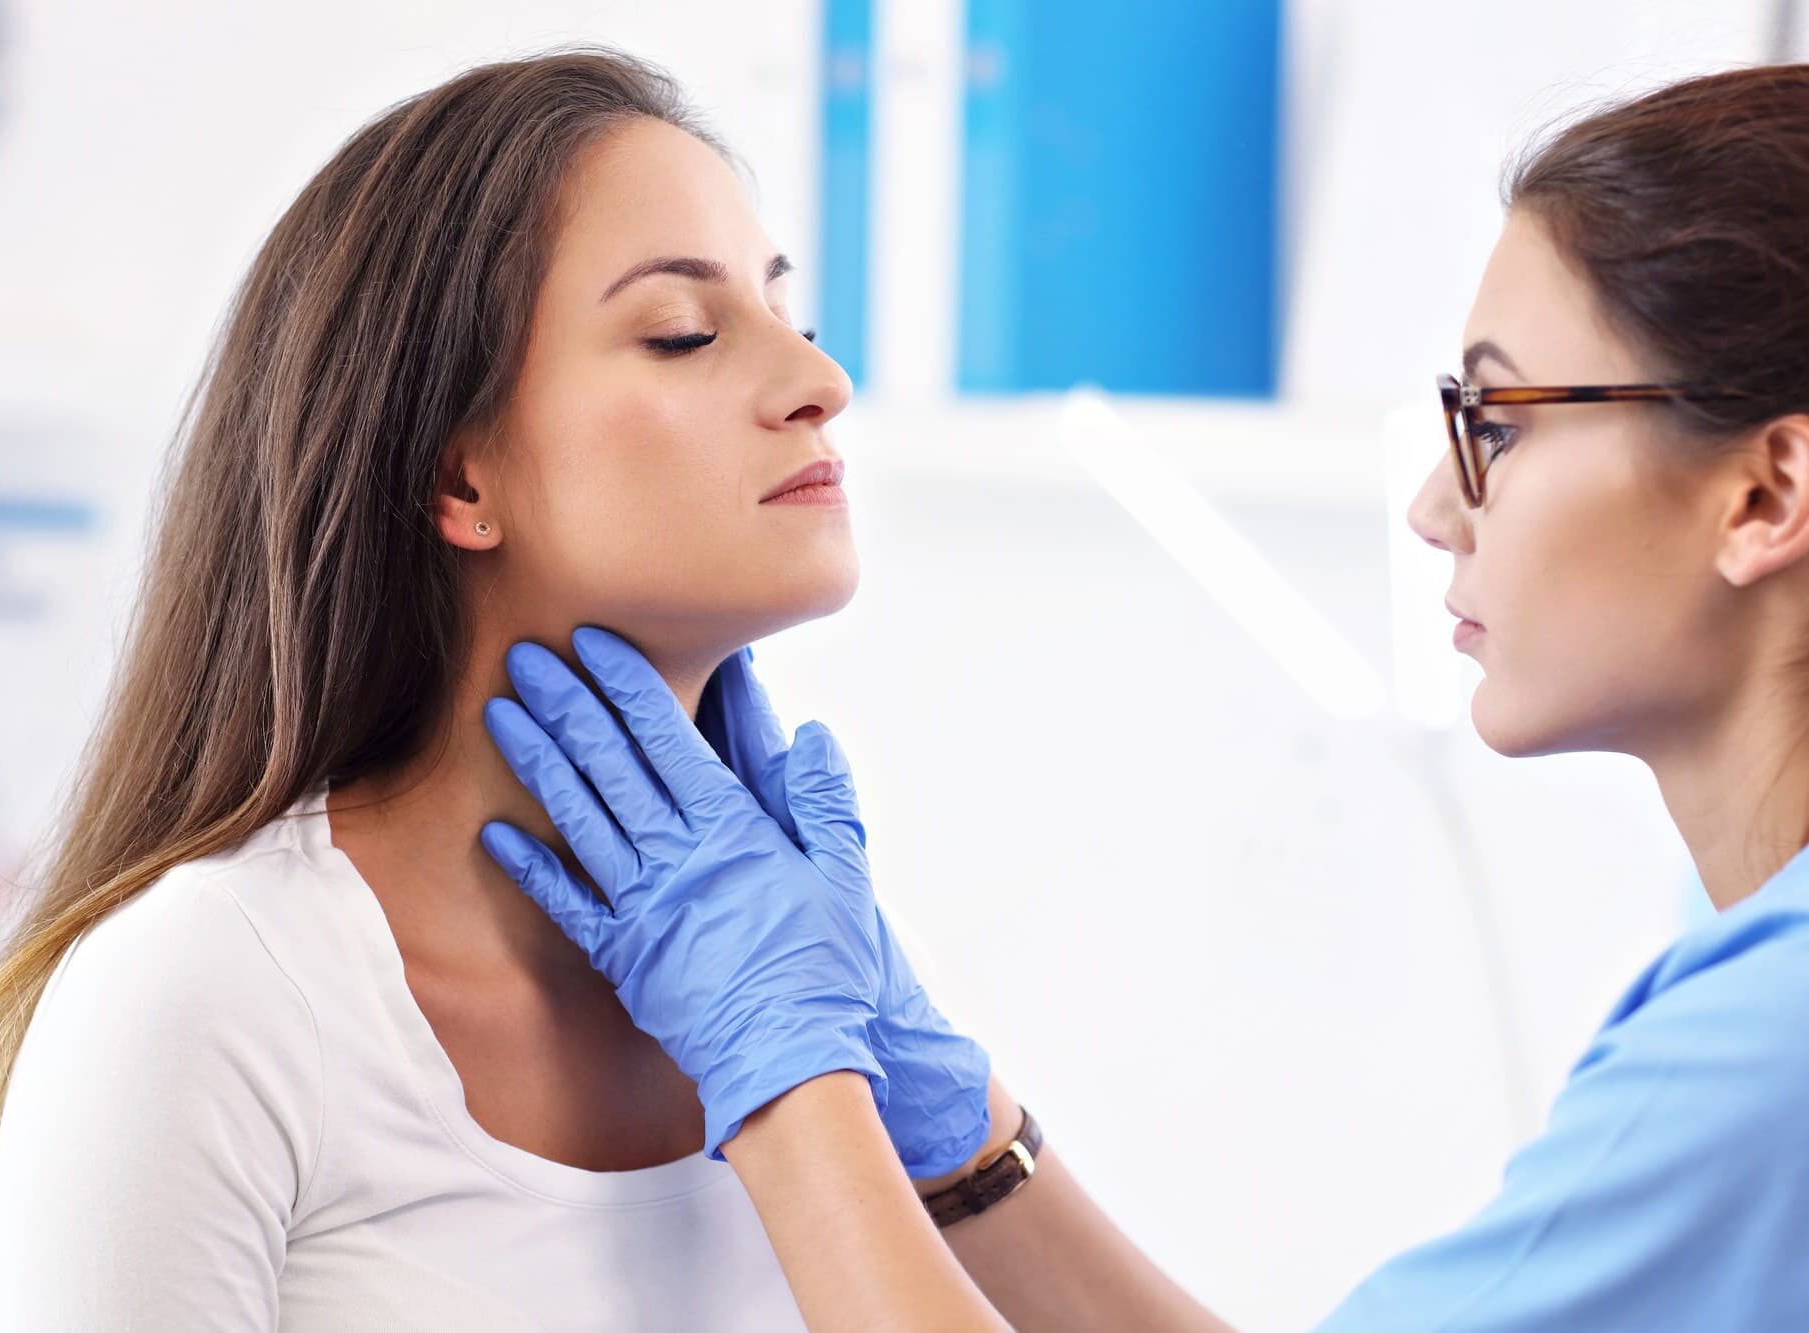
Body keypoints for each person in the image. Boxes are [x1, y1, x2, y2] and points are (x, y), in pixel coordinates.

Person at [480, 64, 1809, 1330]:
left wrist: (788, 1076)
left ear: (1768, 495)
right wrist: (954, 1126)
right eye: (679, 334)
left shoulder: (1767, 1056)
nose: (1433, 506)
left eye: (1502, 422)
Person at [0, 47, 1028, 1332]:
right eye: (684, 333)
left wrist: (876, 1096)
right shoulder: (212, 995)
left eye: (792, 317)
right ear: (458, 482)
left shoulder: (789, 996)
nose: (819, 383)